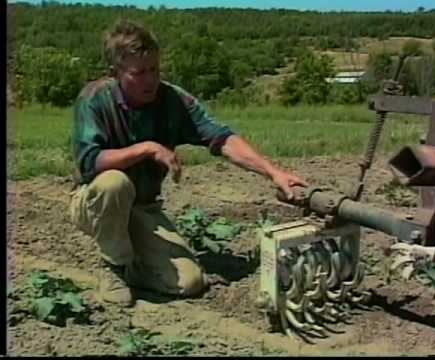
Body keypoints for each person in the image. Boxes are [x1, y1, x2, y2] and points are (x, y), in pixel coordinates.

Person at [69, 19, 308, 307]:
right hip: (94, 202)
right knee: (114, 182)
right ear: (115, 73)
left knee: (190, 282)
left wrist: (274, 173)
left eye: (155, 69)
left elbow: (221, 137)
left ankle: (135, 266)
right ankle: (113, 268)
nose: (150, 79)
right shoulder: (94, 98)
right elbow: (90, 161)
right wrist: (146, 148)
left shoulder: (172, 100)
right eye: (139, 72)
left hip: (142, 208)